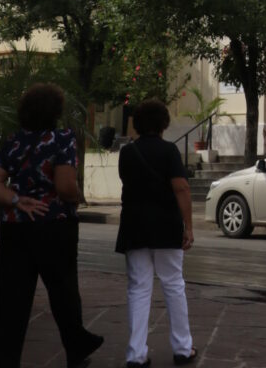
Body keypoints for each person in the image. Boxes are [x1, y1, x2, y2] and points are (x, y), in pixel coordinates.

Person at [0, 83, 104, 368]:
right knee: (63, 292)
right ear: (55, 111)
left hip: (15, 228)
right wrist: (75, 197)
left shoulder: (14, 141)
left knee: (12, 302)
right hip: (54, 226)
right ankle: (76, 347)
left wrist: (15, 200)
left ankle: (2, 362)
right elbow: (64, 186)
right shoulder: (62, 139)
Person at [116, 97, 196, 367]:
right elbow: (181, 188)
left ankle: (136, 354)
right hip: (165, 225)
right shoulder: (169, 151)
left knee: (138, 288)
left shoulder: (127, 153)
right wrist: (189, 225)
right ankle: (183, 349)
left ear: (137, 124)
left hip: (134, 226)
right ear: (163, 124)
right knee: (173, 284)